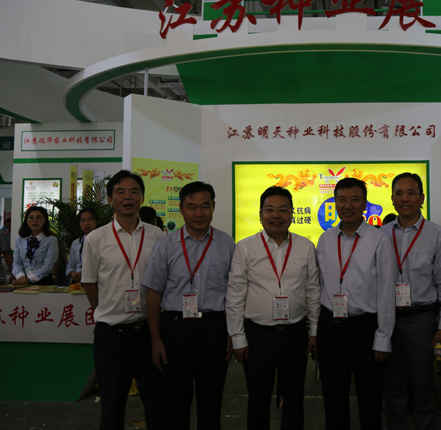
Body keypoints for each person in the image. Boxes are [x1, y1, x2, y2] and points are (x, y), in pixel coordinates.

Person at [142, 181, 235, 430]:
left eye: (205, 206)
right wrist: (156, 340)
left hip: (213, 330)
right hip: (175, 330)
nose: (198, 213)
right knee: (174, 406)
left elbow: (234, 294)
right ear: (181, 209)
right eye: (192, 207)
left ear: (213, 207)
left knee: (211, 404)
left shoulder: (227, 244)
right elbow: (154, 294)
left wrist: (232, 332)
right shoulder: (165, 245)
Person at [227, 185, 320, 429]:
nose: (276, 215)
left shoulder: (305, 246)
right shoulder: (245, 247)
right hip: (258, 336)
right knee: (257, 399)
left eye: (282, 210)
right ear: (260, 214)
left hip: (295, 334)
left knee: (294, 399)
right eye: (270, 209)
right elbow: (235, 295)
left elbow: (313, 291)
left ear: (292, 213)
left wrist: (314, 332)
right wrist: (238, 337)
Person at [81, 170, 166, 430]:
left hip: (150, 334)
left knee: (157, 405)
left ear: (142, 197)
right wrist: (107, 311)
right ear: (110, 199)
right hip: (112, 336)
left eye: (134, 191)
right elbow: (89, 283)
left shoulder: (157, 236)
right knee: (112, 407)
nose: (128, 197)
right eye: (120, 192)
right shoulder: (96, 238)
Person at [316, 177, 396, 429]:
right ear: (335, 203)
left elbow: (386, 291)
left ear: (365, 204)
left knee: (370, 400)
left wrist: (383, 337)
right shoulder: (325, 239)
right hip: (331, 328)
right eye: (342, 200)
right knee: (333, 398)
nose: (348, 205)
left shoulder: (378, 240)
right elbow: (319, 285)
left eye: (354, 200)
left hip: (364, 329)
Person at [380, 173, 441, 430]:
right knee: (392, 387)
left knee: (423, 387)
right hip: (387, 320)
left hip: (421, 320)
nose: (405, 198)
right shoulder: (381, 235)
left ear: (422, 198)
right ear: (392, 198)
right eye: (399, 193)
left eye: (411, 193)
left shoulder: (437, 235)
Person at [11, 206, 58, 286]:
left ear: (44, 221)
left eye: (39, 218)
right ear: (26, 221)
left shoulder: (51, 240)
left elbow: (48, 265)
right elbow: (16, 262)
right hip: (23, 280)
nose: (34, 220)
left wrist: (30, 279)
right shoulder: (20, 239)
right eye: (31, 218)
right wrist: (20, 276)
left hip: (43, 281)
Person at [65, 208, 98, 285]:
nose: (86, 223)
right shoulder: (76, 243)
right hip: (79, 283)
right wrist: (73, 273)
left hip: (97, 282)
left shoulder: (102, 241)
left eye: (90, 220)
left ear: (96, 221)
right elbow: (70, 266)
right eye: (83, 220)